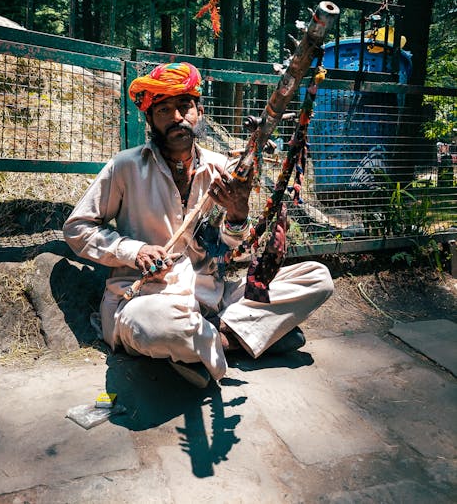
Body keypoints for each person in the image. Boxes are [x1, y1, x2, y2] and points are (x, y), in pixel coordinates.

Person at [63, 62, 333, 388]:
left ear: (199, 111)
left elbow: (231, 248)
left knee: (316, 279)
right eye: (163, 109)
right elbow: (77, 228)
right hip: (147, 300)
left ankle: (208, 344)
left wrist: (237, 215)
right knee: (154, 327)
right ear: (149, 119)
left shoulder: (222, 168)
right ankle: (241, 338)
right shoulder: (125, 167)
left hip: (212, 298)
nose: (177, 117)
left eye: (184, 106)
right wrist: (132, 251)